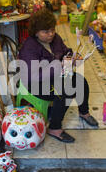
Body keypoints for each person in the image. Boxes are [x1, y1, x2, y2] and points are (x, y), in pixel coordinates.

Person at [18, 8, 98, 143]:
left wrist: (72, 57)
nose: (50, 34)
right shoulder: (29, 47)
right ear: (36, 32)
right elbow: (33, 76)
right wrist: (58, 66)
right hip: (36, 83)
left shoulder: (55, 39)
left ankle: (84, 112)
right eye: (46, 32)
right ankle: (55, 128)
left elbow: (65, 50)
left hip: (56, 77)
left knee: (80, 81)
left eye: (52, 30)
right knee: (64, 91)